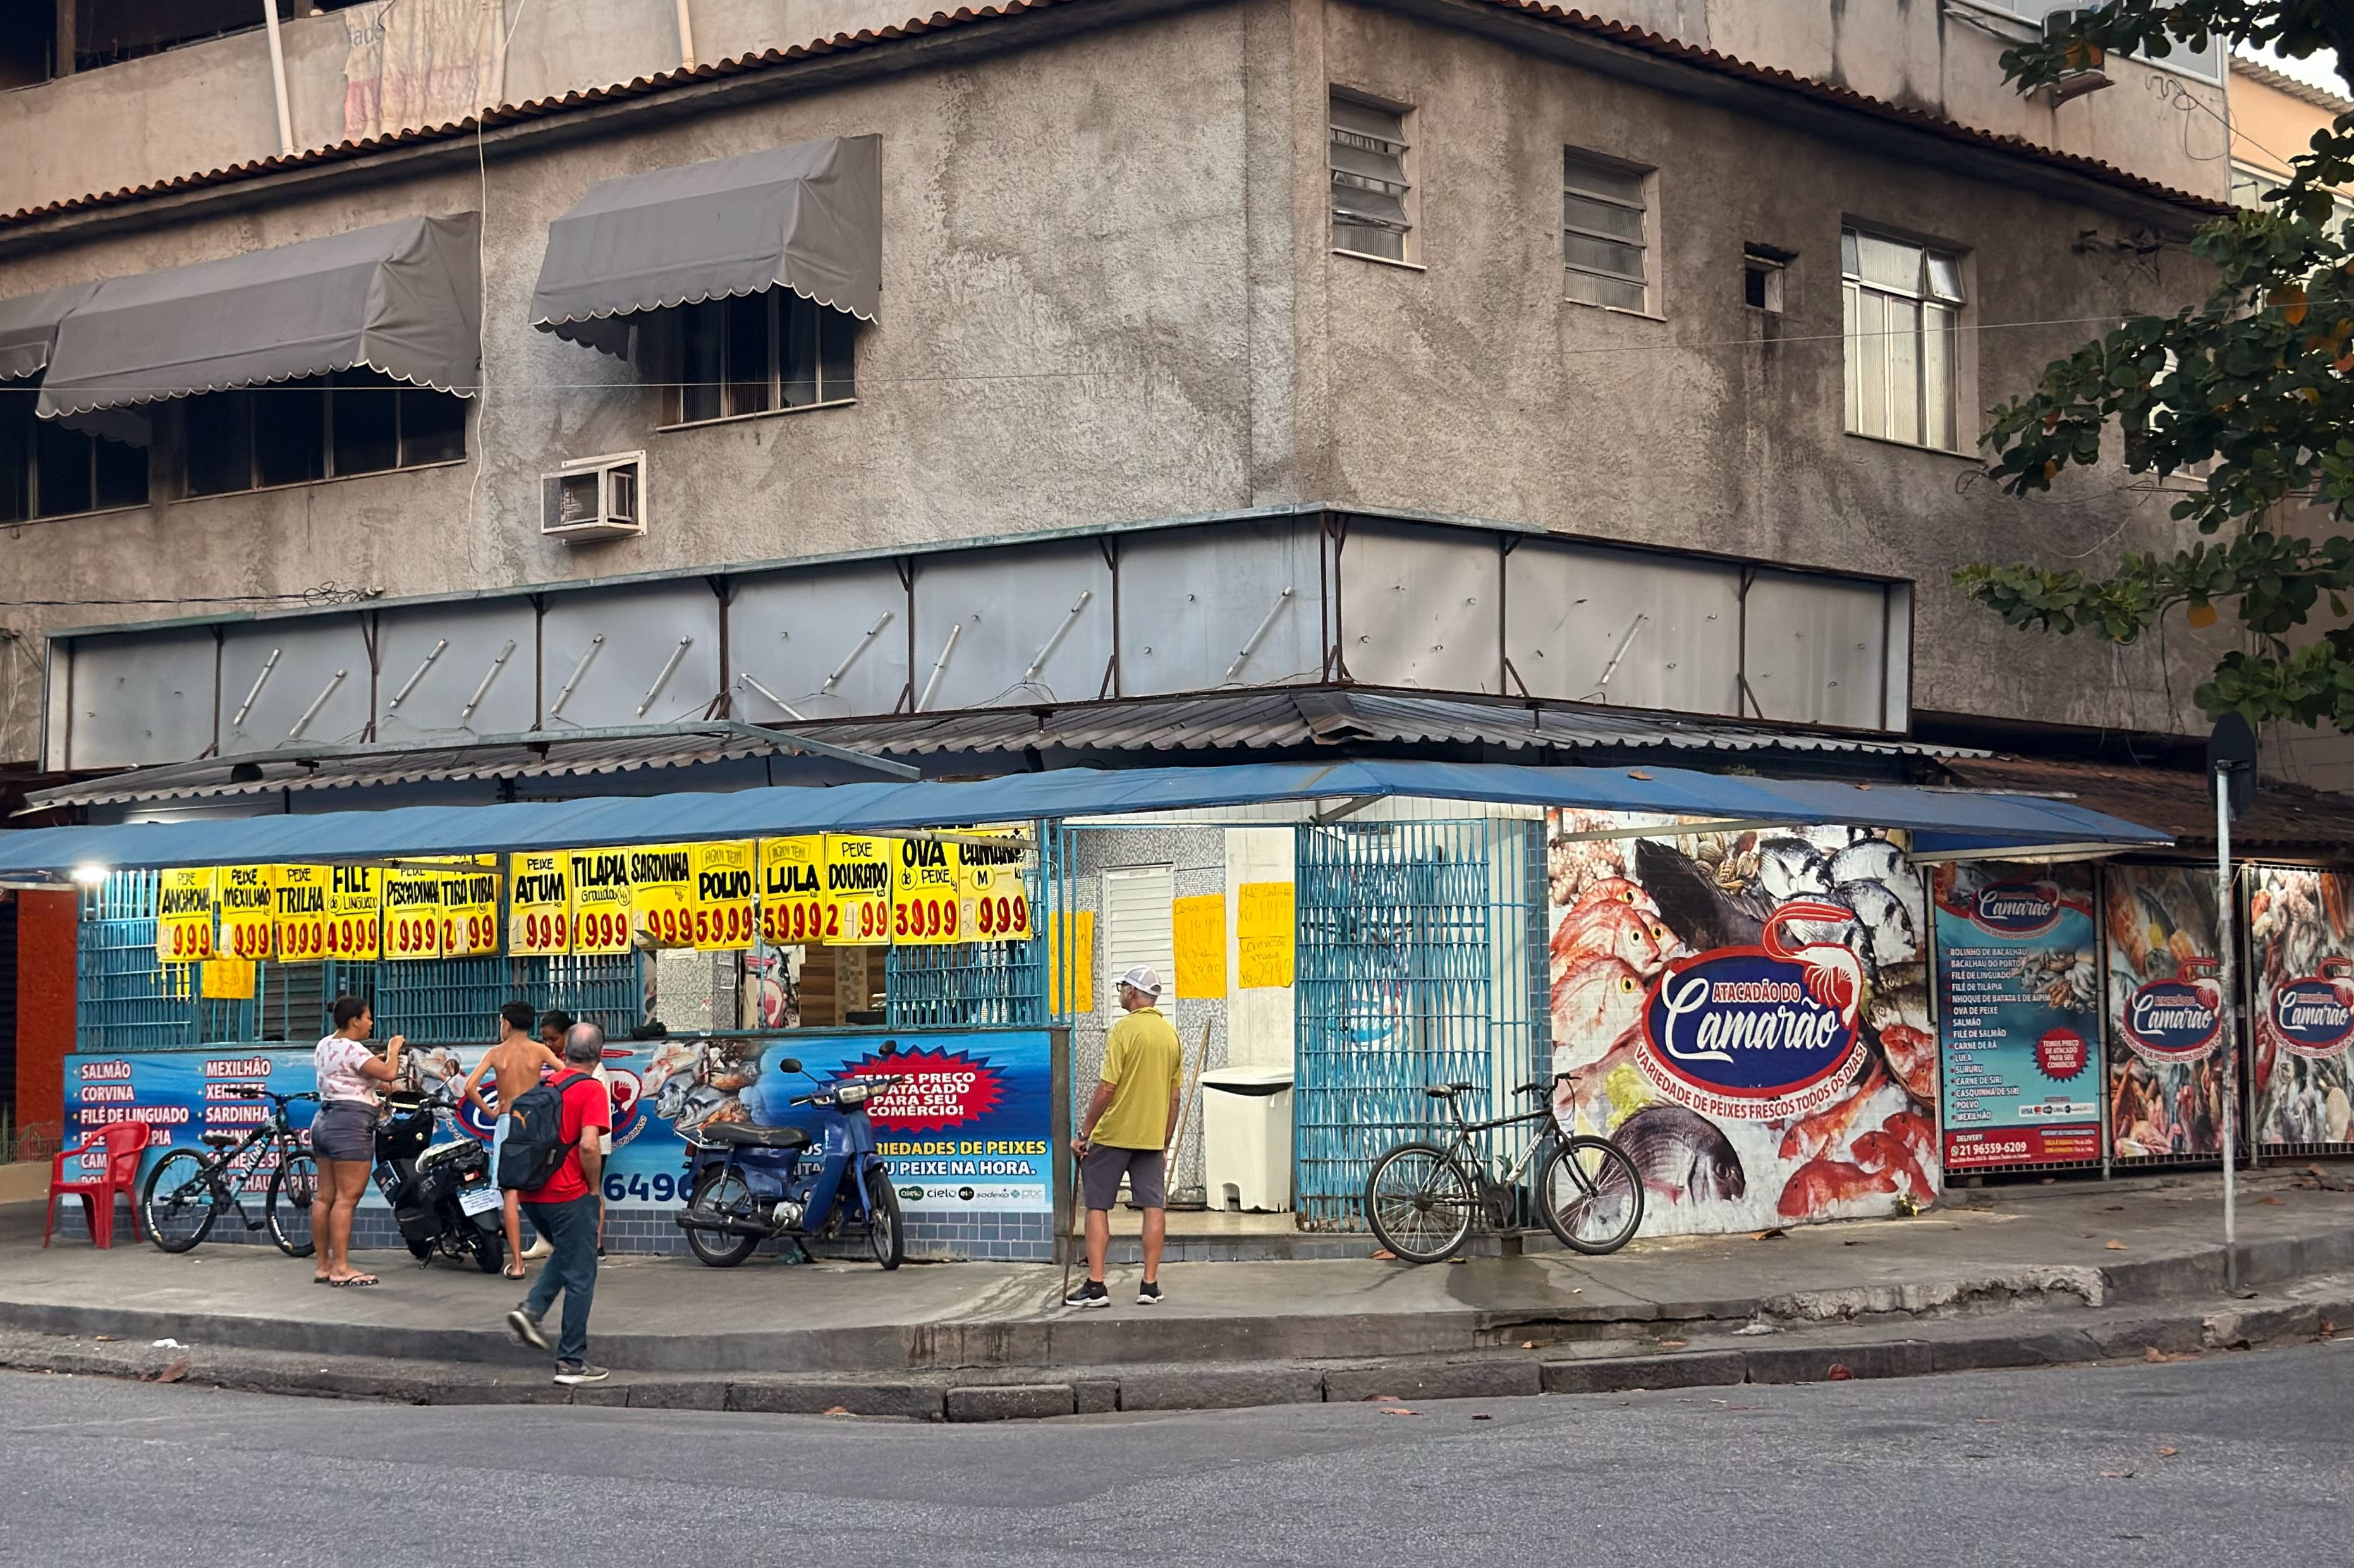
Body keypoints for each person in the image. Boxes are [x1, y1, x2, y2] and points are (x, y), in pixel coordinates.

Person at [1064, 966, 1184, 1309]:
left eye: (1122, 988)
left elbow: (1107, 1087)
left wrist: (1085, 1133)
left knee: (1098, 1205)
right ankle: (1149, 1285)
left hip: (1114, 1133)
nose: (1120, 994)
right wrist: (1164, 1142)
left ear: (1132, 993)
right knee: (1153, 1206)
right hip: (1150, 1138)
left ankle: (1097, 1286)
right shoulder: (1170, 1036)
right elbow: (1174, 1097)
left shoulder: (1123, 1030)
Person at [506, 1023, 613, 1385]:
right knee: (582, 1275)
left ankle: (532, 1310)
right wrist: (594, 1189)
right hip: (568, 1194)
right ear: (599, 1054)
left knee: (565, 1254)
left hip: (531, 1193)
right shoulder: (592, 1090)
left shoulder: (545, 1086)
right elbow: (588, 1146)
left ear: (565, 1052)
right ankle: (571, 1363)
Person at [461, 1001, 563, 1280]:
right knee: (547, 1185)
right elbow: (565, 1074)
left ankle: (518, 1264)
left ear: (505, 1022)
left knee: (511, 1193)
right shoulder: (540, 1050)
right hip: (537, 1121)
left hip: (508, 1121)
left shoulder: (496, 1053)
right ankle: (563, 1254)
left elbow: (470, 1087)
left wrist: (491, 1112)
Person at [311, 996, 404, 1287]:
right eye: (368, 1017)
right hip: (350, 1125)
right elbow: (389, 1073)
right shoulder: (353, 1049)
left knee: (324, 1197)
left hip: (324, 1121)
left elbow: (358, 1077)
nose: (371, 1023)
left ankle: (324, 1266)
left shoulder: (325, 1044)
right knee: (347, 1199)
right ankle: (342, 1268)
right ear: (355, 1021)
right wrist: (393, 1050)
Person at [516, 1011, 577, 1262]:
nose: (548, 1045)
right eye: (545, 1040)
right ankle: (547, 1241)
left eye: (553, 1039)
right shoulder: (549, 1059)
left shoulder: (575, 1066)